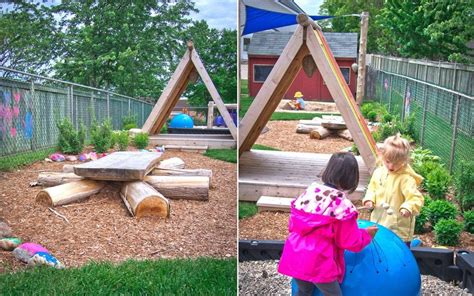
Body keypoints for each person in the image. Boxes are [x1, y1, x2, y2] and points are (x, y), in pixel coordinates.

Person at [278, 152, 378, 296]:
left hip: (295, 254)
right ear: (352, 177)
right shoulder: (342, 207)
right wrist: (366, 235)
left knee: (304, 291)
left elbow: (293, 225)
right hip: (319, 262)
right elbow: (350, 242)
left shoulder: (309, 193)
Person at [363, 133, 424, 247]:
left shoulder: (405, 178)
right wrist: (369, 199)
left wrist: (408, 207)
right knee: (379, 248)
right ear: (382, 156)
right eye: (387, 161)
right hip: (379, 221)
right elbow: (372, 189)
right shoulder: (379, 172)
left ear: (404, 160)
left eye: (396, 163)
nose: (391, 166)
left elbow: (415, 198)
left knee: (398, 254)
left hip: (398, 228)